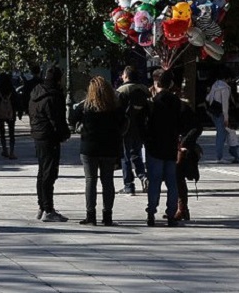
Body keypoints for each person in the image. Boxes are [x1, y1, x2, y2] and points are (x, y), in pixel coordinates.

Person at [69, 76, 123, 226]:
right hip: (109, 148)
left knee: (90, 181)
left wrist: (80, 127)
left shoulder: (85, 107)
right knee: (108, 181)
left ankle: (90, 215)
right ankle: (107, 215)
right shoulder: (114, 107)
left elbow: (72, 119)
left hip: (89, 148)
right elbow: (123, 123)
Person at [144, 70, 190, 227]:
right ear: (170, 84)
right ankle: (171, 214)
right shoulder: (177, 102)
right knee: (172, 182)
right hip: (171, 147)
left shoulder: (153, 102)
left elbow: (146, 125)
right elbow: (183, 124)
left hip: (155, 146)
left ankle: (151, 213)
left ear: (157, 84)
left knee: (155, 181)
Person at [28, 67, 71, 222]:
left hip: (38, 135)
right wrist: (65, 134)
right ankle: (48, 209)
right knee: (49, 173)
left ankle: (42, 205)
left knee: (42, 172)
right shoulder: (54, 96)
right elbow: (57, 120)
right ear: (58, 79)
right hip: (49, 137)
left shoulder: (36, 92)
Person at [171, 80, 202, 222]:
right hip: (172, 146)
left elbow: (197, 127)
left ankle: (182, 209)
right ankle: (179, 209)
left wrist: (184, 143)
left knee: (178, 178)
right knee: (175, 179)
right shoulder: (171, 107)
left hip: (182, 149)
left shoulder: (183, 109)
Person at [115, 65, 150, 194]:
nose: (122, 76)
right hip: (140, 127)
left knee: (125, 157)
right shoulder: (144, 90)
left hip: (126, 128)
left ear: (127, 76)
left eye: (123, 74)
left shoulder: (122, 91)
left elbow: (117, 111)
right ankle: (143, 176)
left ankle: (128, 185)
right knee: (136, 154)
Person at [205, 67, 237, 163]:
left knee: (221, 133)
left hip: (213, 111)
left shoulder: (215, 85)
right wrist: (226, 118)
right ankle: (220, 156)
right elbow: (225, 105)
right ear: (228, 78)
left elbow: (208, 98)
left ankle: (222, 155)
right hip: (221, 113)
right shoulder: (225, 88)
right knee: (222, 134)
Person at [0, 73, 22, 159]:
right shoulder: (11, 89)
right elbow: (17, 101)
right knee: (11, 132)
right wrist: (19, 112)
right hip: (11, 114)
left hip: (0, 114)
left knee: (2, 132)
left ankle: (4, 150)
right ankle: (12, 152)